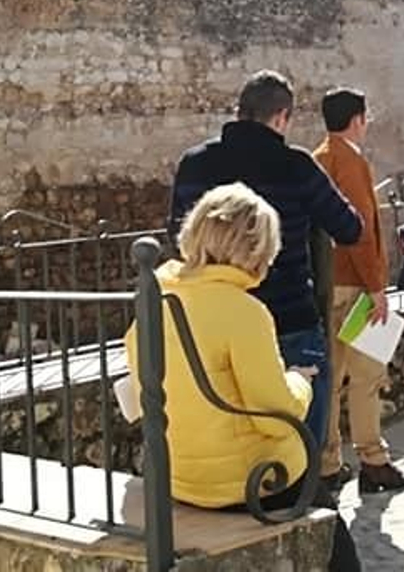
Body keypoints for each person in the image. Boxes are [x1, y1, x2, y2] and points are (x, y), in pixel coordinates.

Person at [125, 183, 361, 571]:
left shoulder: (157, 298)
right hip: (250, 483)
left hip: (182, 478)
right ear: (255, 252)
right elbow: (271, 414)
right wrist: (299, 380)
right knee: (340, 554)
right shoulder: (244, 311)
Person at [168, 70, 363, 451]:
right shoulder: (295, 165)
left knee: (231, 430)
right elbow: (349, 227)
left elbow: (177, 238)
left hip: (212, 319)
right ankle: (307, 496)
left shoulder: (195, 164)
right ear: (281, 117)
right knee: (300, 431)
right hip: (288, 314)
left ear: (240, 112)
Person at [312, 88, 404, 495]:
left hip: (327, 283)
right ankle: (373, 460)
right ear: (357, 119)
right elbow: (359, 230)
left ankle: (327, 463)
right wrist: (377, 287)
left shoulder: (317, 158)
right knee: (367, 378)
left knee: (330, 379)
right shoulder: (351, 161)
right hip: (357, 286)